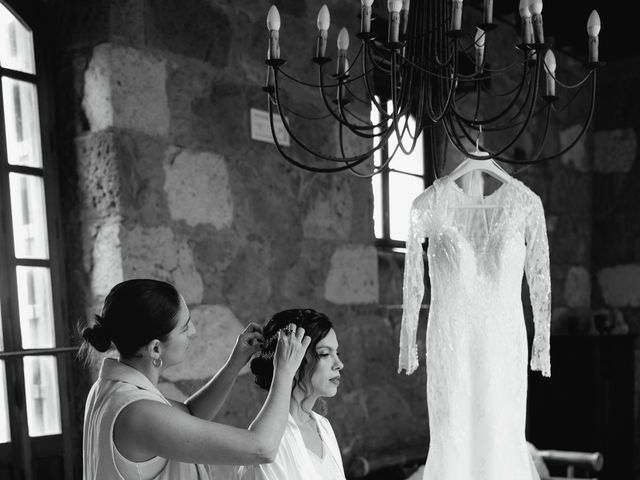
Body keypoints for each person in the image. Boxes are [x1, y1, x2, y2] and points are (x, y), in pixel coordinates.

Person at [80, 279, 310, 480]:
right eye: (184, 327)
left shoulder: (113, 388)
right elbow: (262, 449)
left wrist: (235, 363)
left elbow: (190, 416)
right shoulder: (138, 412)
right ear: (156, 349)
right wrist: (285, 371)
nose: (193, 331)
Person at [235, 308, 346, 480]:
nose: (339, 364)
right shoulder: (270, 441)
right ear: (292, 359)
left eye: (336, 353)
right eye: (325, 354)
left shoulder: (323, 426)